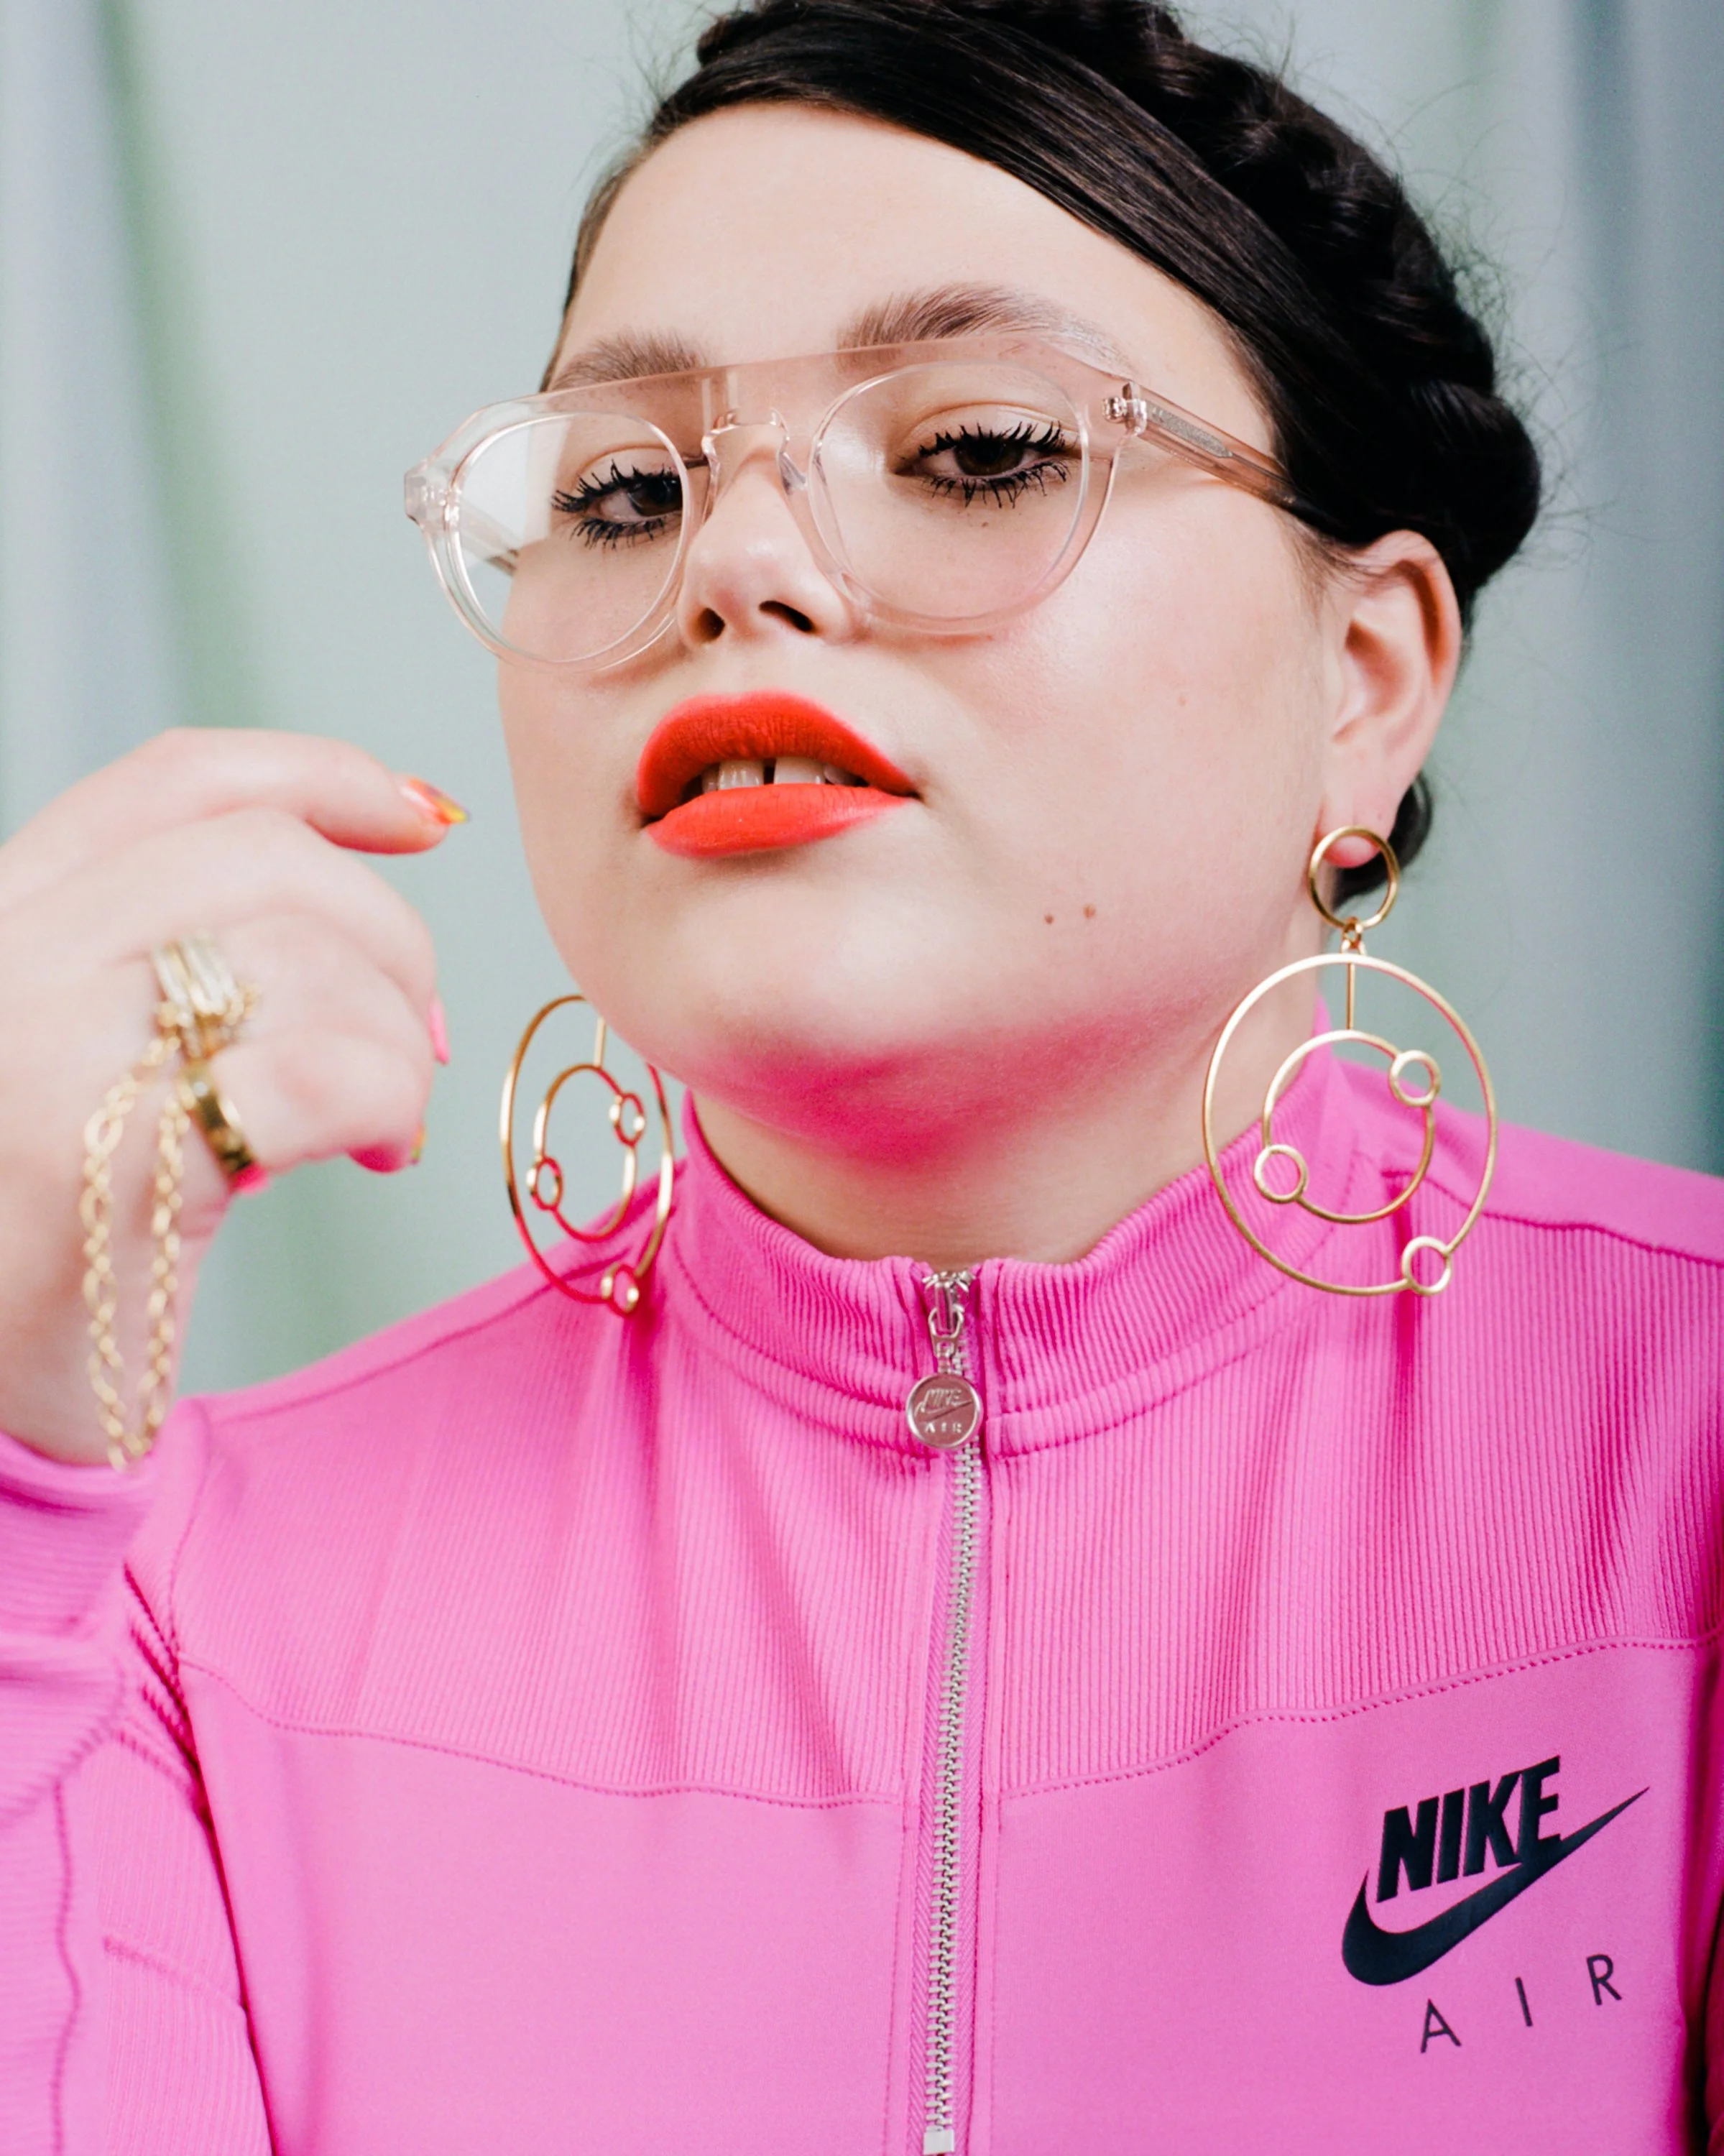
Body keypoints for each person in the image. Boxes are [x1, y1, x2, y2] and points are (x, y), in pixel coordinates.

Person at [2, 1, 1720, 2147]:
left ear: (1361, 683)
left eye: (980, 450)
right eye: (621, 489)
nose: (730, 567)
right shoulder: (147, 1595)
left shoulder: (1683, 1447)